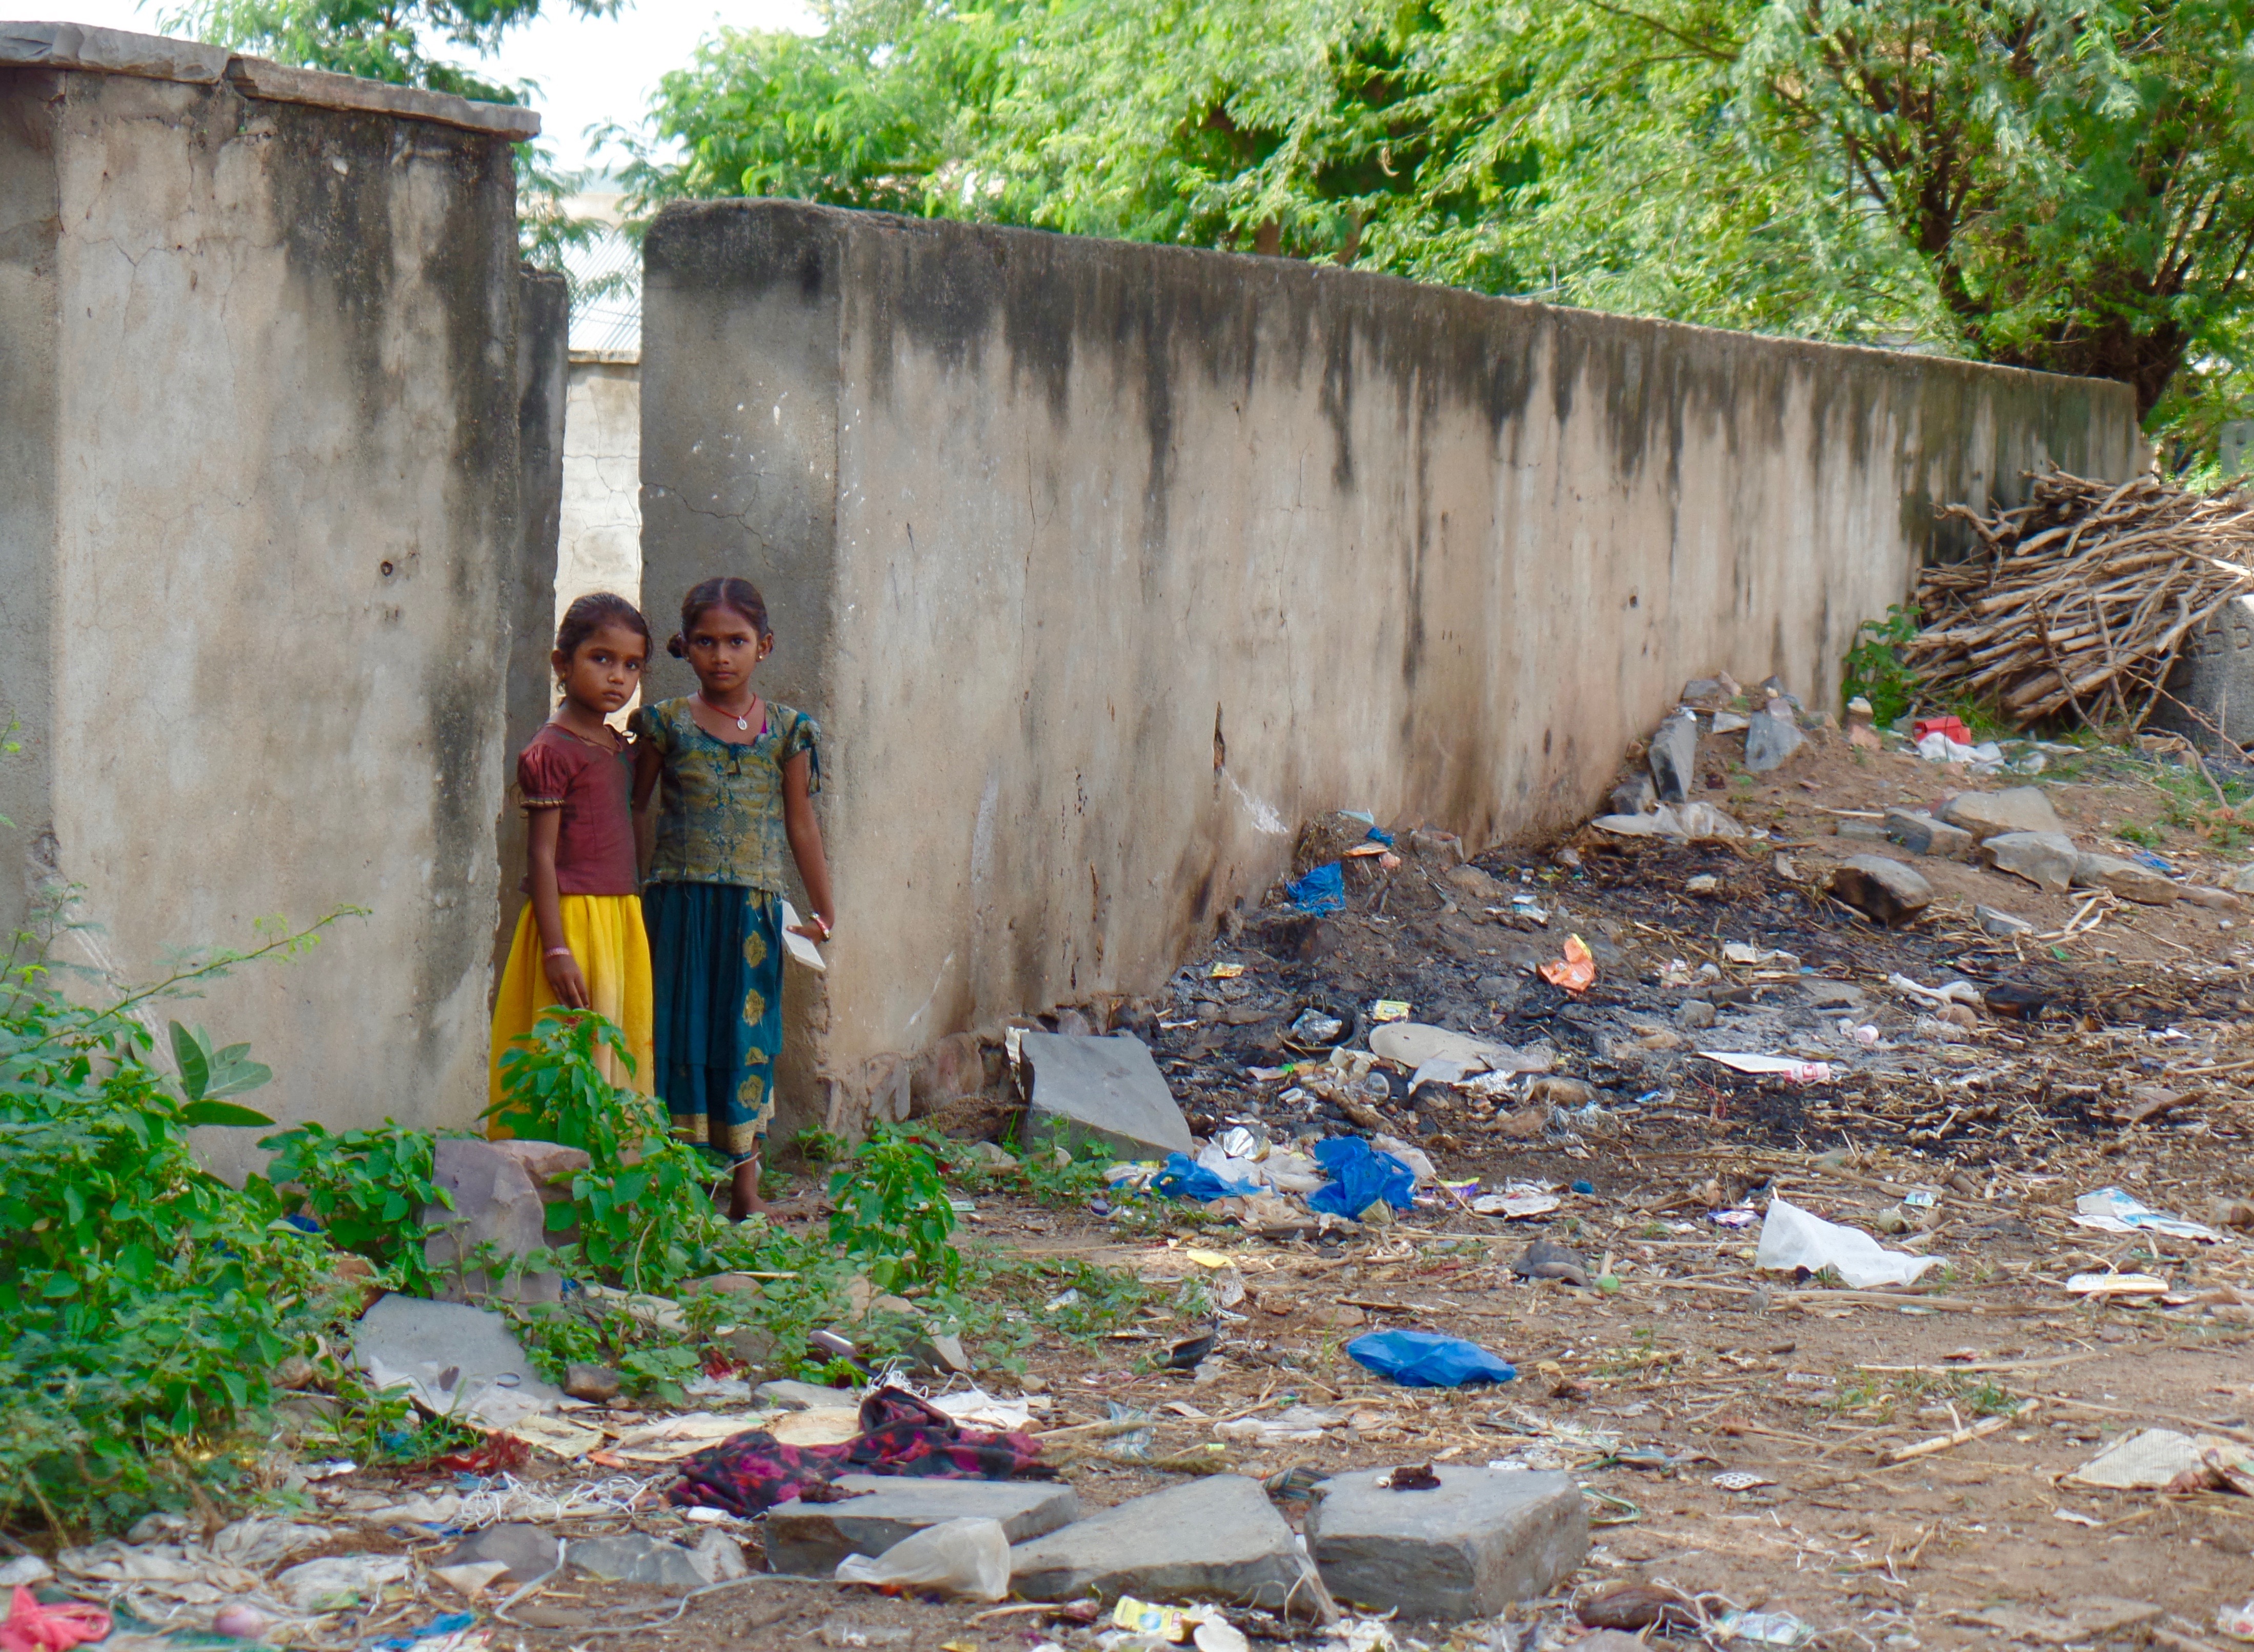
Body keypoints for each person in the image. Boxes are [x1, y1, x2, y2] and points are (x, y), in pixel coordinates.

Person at [634, 577, 835, 1218]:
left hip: (752, 911)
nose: (722, 656)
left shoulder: (789, 732)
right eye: (706, 642)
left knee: (747, 1035)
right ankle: (679, 1193)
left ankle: (746, 1194)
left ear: (764, 647)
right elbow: (634, 809)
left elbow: (801, 822)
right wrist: (623, 896)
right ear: (685, 648)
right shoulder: (663, 724)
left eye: (736, 642)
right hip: (679, 907)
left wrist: (825, 909)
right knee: (677, 1034)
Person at [489, 592, 656, 1116]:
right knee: (570, 1040)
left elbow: (637, 806)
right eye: (601, 659)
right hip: (573, 918)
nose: (617, 678)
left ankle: (611, 1167)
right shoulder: (551, 750)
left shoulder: (613, 745)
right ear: (563, 663)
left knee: (613, 1035)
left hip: (619, 916)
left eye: (632, 666)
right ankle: (555, 1171)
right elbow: (540, 856)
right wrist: (557, 949)